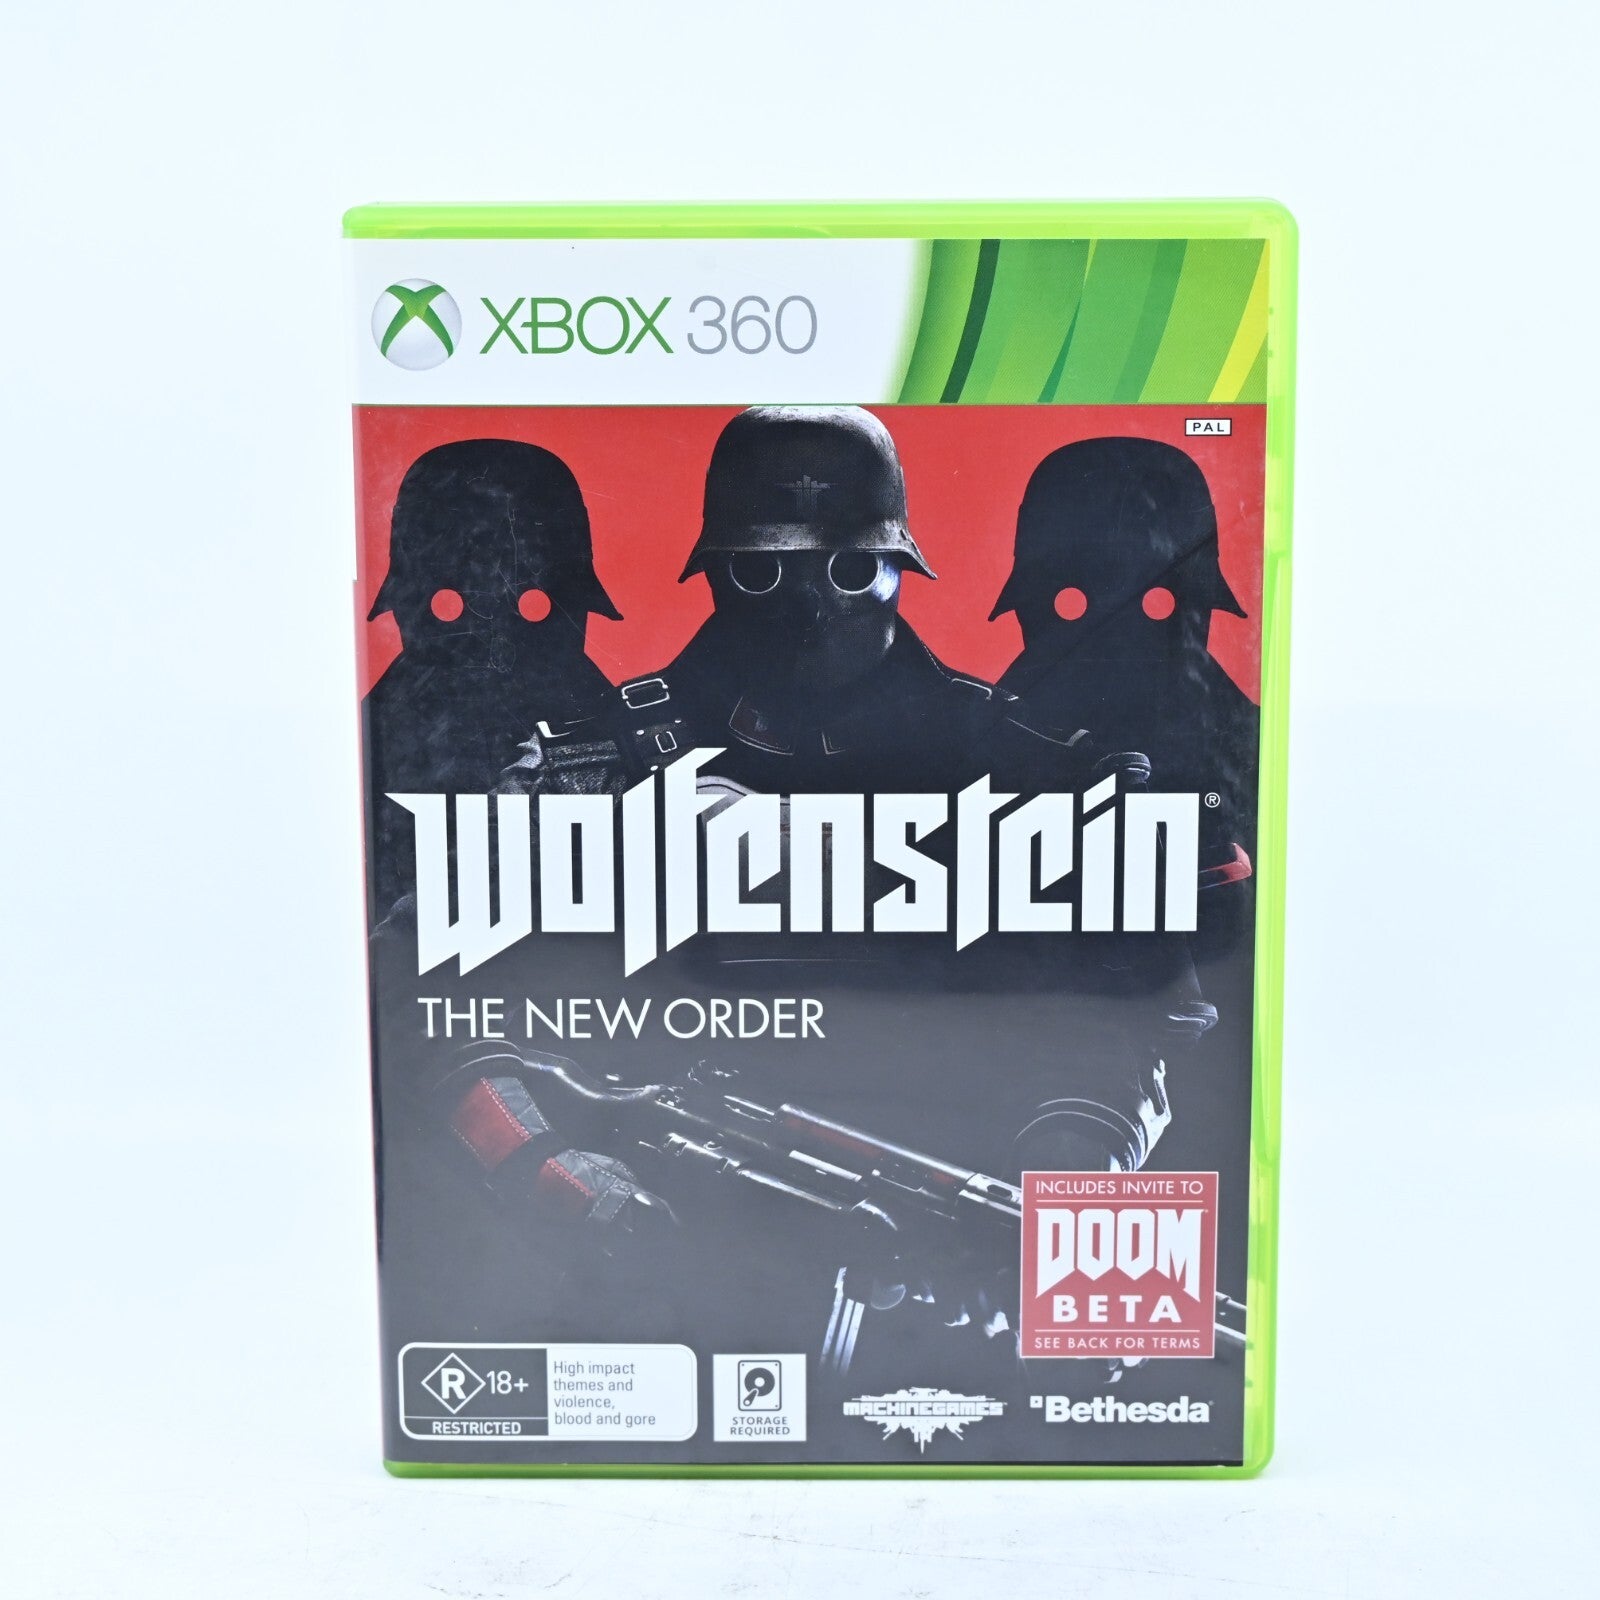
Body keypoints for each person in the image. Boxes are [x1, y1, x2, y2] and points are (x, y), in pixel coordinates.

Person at [362, 437, 620, 911]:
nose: (495, 648)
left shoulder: (621, 731)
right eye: (452, 605)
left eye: (532, 604)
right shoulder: (369, 741)